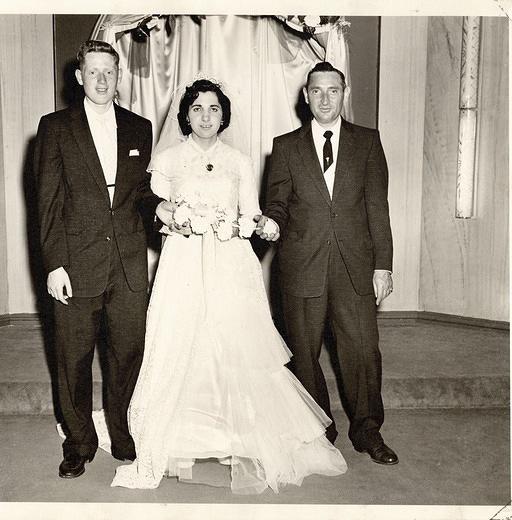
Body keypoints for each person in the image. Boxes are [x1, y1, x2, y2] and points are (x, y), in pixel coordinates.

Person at [111, 78, 347, 494]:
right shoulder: (166, 159)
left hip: (231, 265)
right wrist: (174, 217)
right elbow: (153, 212)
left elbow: (253, 214)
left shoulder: (239, 161)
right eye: (198, 108)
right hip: (183, 265)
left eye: (214, 109)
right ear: (185, 115)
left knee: (235, 344)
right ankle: (182, 437)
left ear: (224, 116)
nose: (206, 116)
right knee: (183, 343)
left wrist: (257, 226)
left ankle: (240, 438)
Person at [256, 61, 398, 465]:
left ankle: (368, 430)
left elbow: (378, 209)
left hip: (356, 268)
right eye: (316, 91)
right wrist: (268, 224)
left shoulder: (368, 142)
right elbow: (277, 205)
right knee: (303, 353)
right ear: (305, 96)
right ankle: (319, 428)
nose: (324, 98)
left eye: (332, 90)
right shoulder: (285, 146)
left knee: (363, 352)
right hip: (301, 266)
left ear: (344, 92)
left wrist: (382, 264)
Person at [34, 40, 164, 479]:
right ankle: (79, 442)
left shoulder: (139, 127)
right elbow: (47, 203)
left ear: (119, 76)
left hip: (127, 263)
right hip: (75, 262)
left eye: (109, 72)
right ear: (79, 77)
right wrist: (54, 264)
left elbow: (140, 195)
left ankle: (120, 429)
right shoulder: (54, 128)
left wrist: (164, 211)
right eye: (93, 72)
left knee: (127, 352)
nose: (102, 80)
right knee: (72, 357)